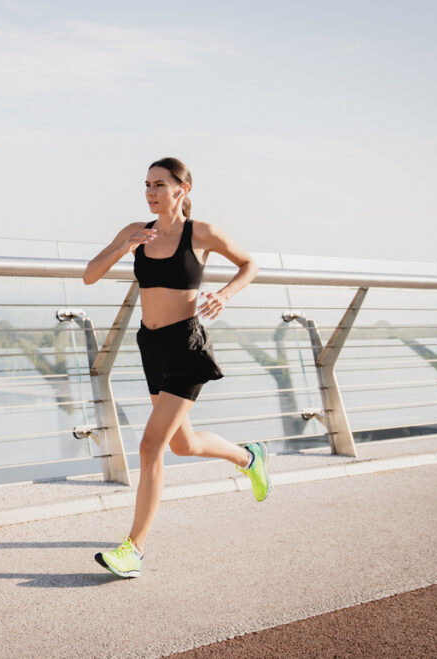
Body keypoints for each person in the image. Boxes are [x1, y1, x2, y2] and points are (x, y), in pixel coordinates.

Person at [83, 156, 268, 578]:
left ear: (182, 189)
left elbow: (249, 264)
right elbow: (90, 276)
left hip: (186, 346)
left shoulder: (201, 233)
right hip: (151, 346)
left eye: (160, 185)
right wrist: (122, 248)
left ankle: (133, 550)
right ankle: (249, 457)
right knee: (181, 444)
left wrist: (224, 293)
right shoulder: (135, 232)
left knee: (151, 446)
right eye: (147, 184)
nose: (151, 192)